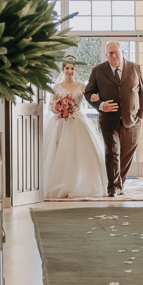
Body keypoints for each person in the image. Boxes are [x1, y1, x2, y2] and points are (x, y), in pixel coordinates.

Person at [85, 41, 143, 197]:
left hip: (131, 120)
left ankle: (119, 183)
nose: (113, 55)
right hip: (108, 120)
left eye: (116, 52)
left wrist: (140, 117)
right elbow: (88, 93)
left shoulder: (135, 68)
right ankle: (113, 187)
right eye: (110, 53)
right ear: (106, 55)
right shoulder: (98, 71)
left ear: (122, 52)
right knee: (112, 152)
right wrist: (100, 105)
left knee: (126, 154)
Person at [42, 56, 108, 198]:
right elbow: (51, 106)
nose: (70, 71)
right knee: (58, 153)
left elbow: (92, 96)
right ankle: (58, 183)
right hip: (59, 122)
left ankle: (79, 184)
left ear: (75, 70)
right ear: (63, 69)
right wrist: (60, 109)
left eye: (72, 68)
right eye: (67, 68)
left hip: (77, 120)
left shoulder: (82, 86)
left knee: (79, 154)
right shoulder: (56, 87)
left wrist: (97, 98)